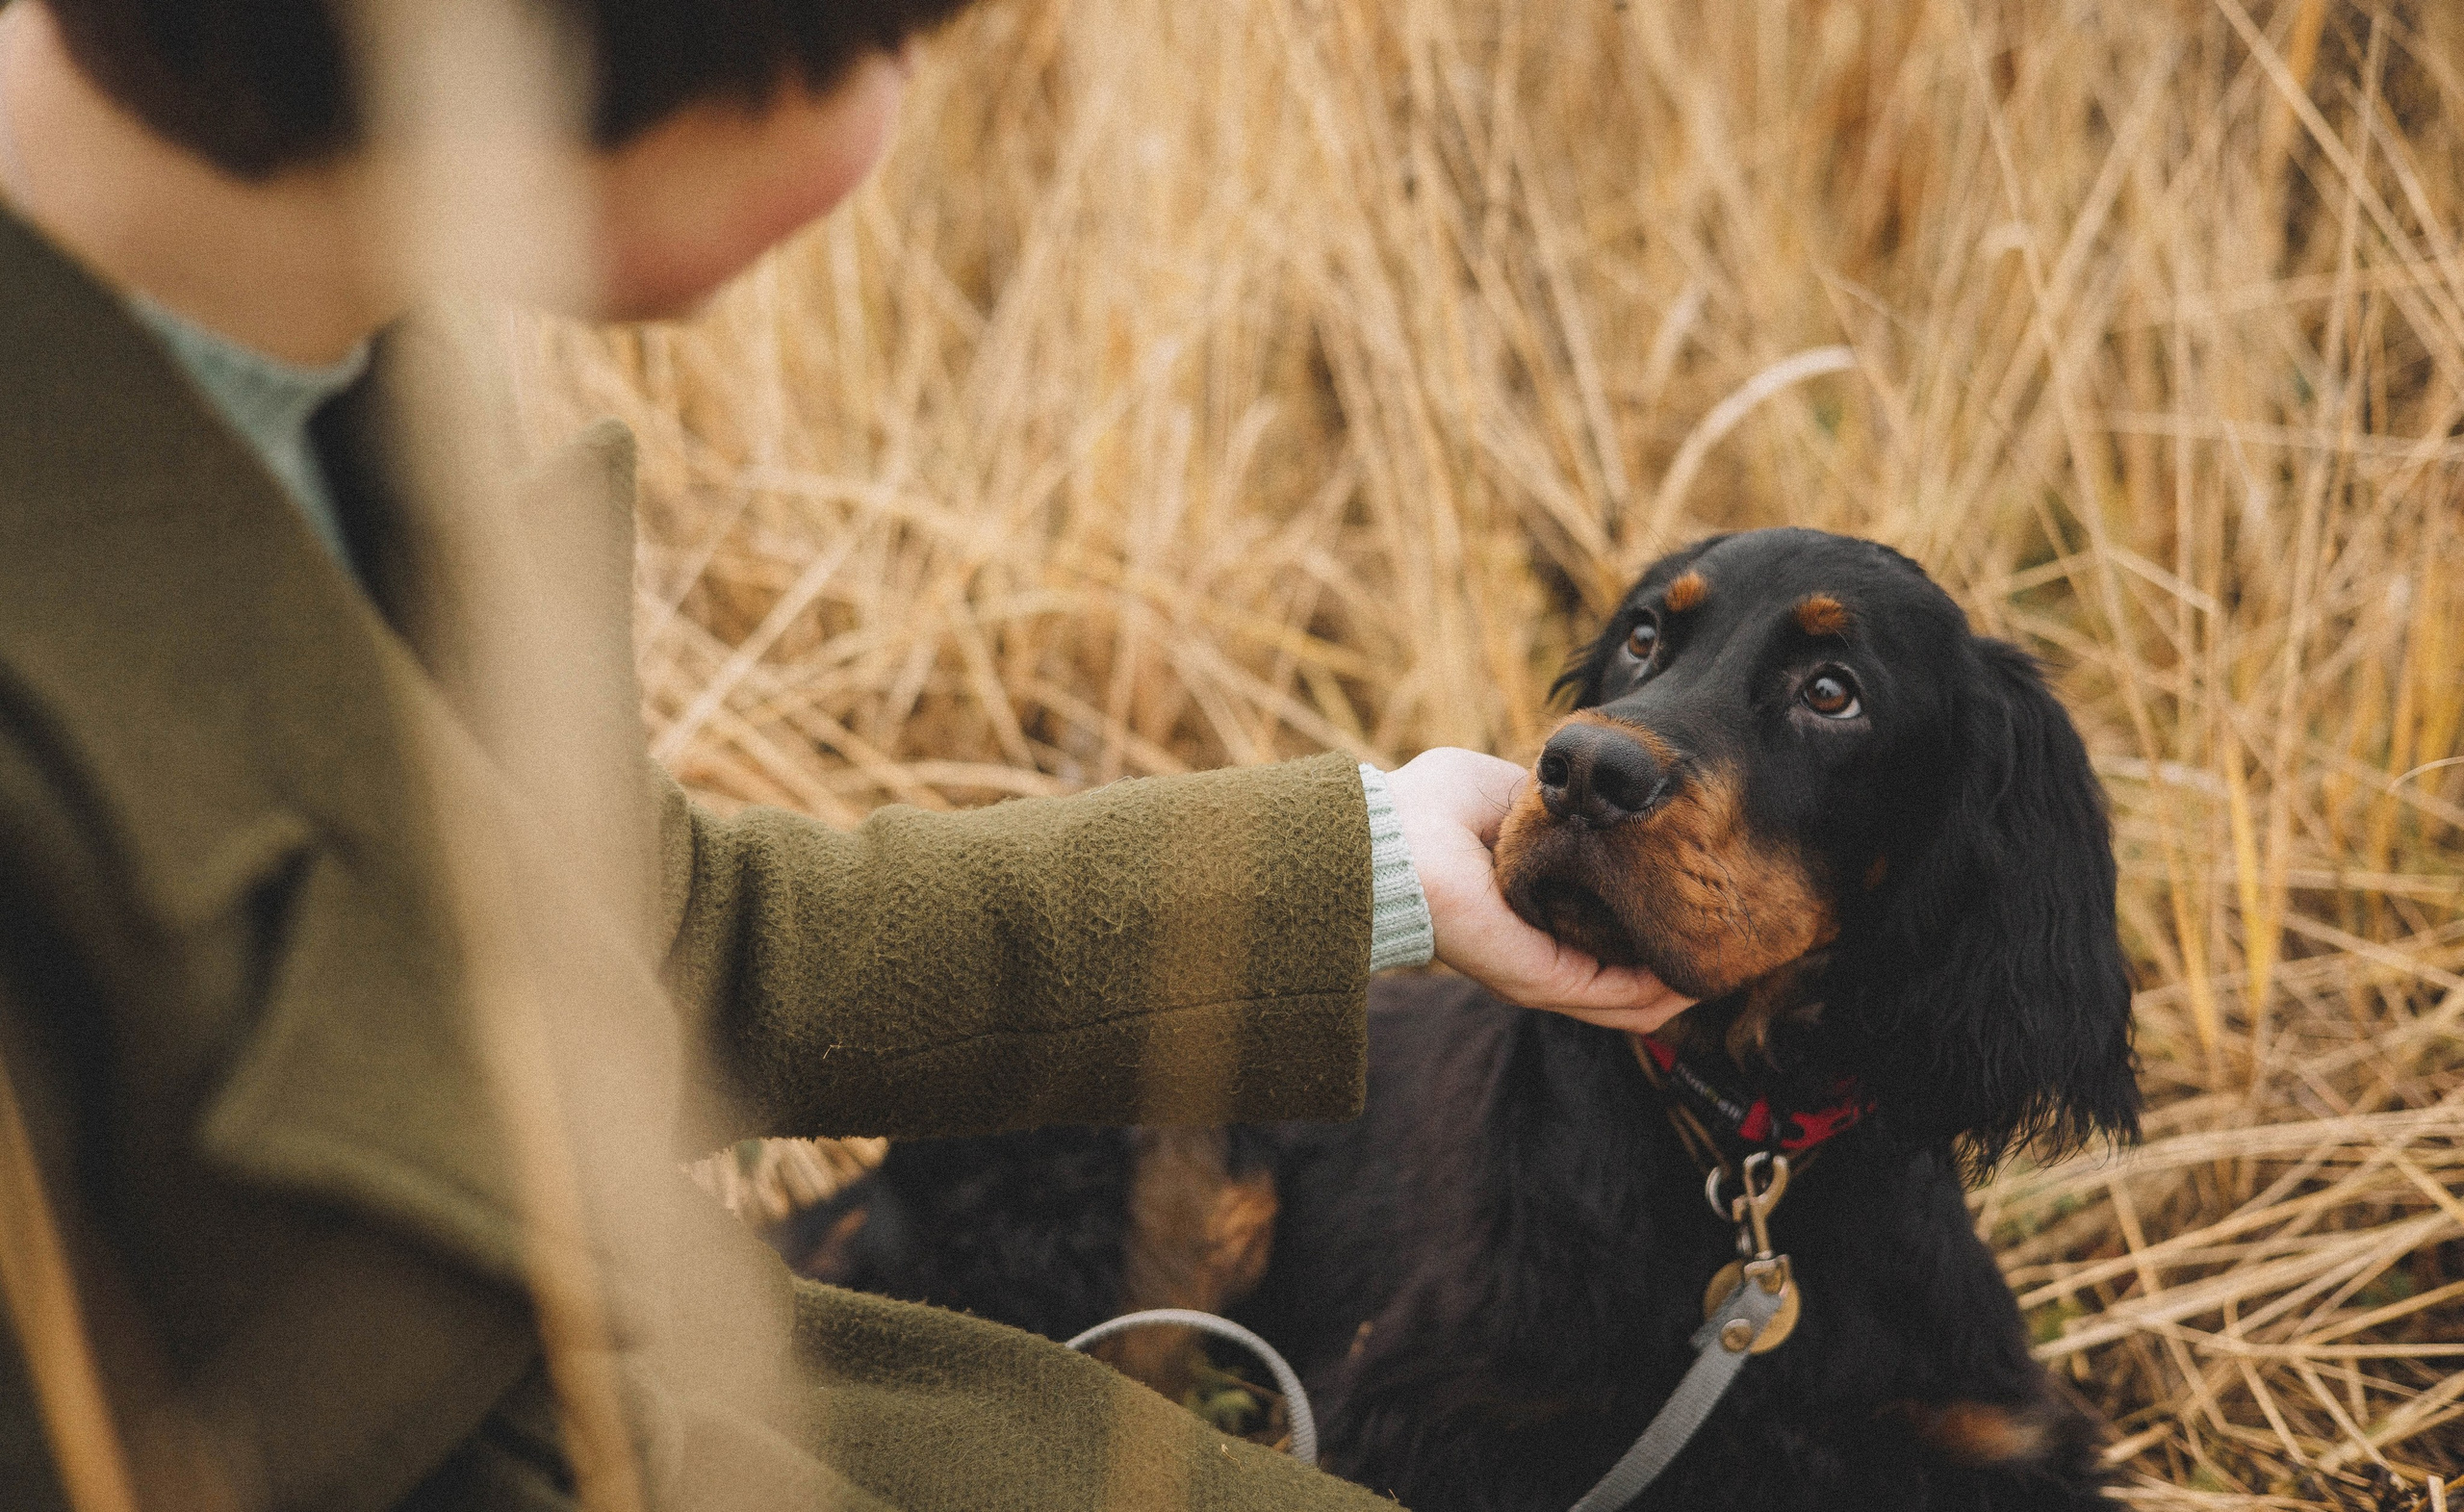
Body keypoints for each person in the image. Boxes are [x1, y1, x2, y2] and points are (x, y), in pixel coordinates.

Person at [0, 2, 1690, 1507]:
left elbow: (666, 943)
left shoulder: (335, 340)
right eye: (882, 40)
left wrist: (1369, 863)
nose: (895, 112)